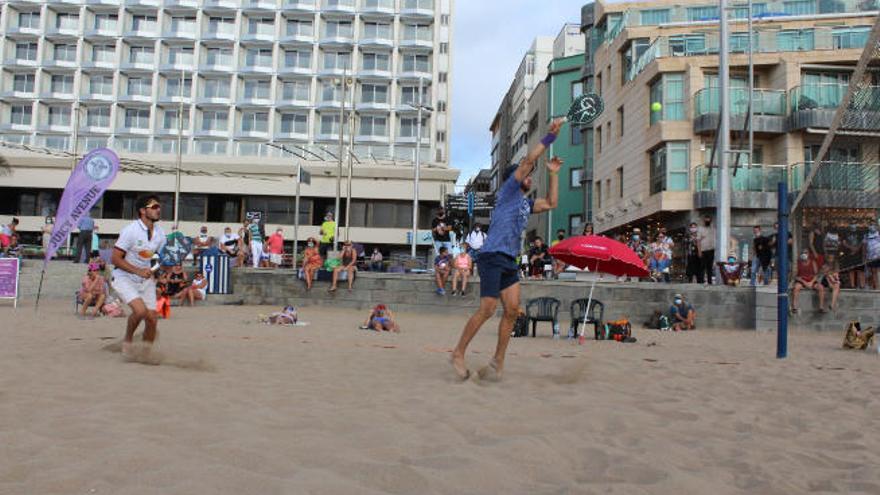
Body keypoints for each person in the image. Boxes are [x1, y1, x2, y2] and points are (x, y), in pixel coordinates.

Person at [451, 117, 563, 381]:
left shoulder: (525, 203)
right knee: (488, 309)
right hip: (491, 256)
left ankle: (497, 361)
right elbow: (526, 163)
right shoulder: (509, 191)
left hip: (509, 261)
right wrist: (549, 137)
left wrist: (554, 174)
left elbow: (551, 203)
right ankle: (457, 352)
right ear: (517, 177)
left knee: (512, 310)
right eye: (527, 174)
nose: (530, 176)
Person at [110, 194, 167, 358]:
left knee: (152, 320)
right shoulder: (130, 231)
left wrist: (157, 271)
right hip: (123, 277)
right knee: (140, 311)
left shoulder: (160, 234)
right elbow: (115, 258)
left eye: (159, 207)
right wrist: (138, 271)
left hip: (146, 280)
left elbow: (158, 258)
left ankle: (146, 353)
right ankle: (127, 341)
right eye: (154, 207)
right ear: (143, 211)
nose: (158, 209)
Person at [791, 249, 825, 314]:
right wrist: (804, 282)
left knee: (821, 287)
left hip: (811, 280)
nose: (805, 254)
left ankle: (821, 307)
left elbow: (816, 274)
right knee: (796, 288)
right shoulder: (798, 263)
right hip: (802, 280)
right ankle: (794, 307)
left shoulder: (813, 262)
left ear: (809, 254)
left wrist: (811, 282)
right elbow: (795, 276)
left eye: (806, 253)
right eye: (803, 252)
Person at [841, 222, 865, 289]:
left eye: (854, 223)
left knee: (860, 270)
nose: (853, 225)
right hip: (849, 254)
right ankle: (852, 285)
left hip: (858, 254)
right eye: (852, 223)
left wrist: (856, 249)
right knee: (851, 270)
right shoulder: (846, 232)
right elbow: (844, 242)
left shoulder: (860, 233)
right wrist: (851, 248)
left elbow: (862, 242)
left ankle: (862, 285)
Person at [697, 214, 716, 284]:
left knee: (709, 267)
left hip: (711, 250)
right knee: (702, 267)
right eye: (706, 219)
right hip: (703, 250)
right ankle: (701, 282)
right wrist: (699, 251)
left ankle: (710, 281)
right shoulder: (700, 228)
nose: (707, 220)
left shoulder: (712, 228)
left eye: (709, 219)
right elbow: (698, 240)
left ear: (710, 220)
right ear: (704, 220)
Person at [864, 222, 880, 290]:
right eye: (870, 224)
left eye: (874, 225)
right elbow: (864, 247)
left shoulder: (879, 234)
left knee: (877, 272)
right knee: (873, 272)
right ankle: (876, 287)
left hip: (879, 256)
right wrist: (864, 257)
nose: (872, 226)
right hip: (871, 257)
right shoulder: (866, 235)